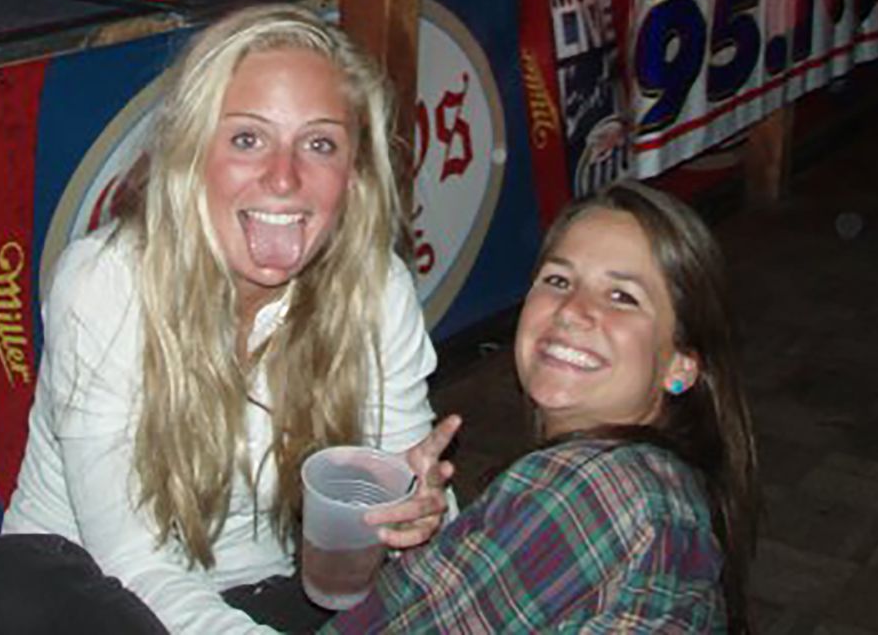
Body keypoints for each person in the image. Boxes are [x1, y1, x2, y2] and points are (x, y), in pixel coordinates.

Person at [0, 4, 457, 635]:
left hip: (267, 592)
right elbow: (132, 559)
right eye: (247, 138)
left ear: (352, 175)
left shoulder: (375, 288)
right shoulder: (108, 282)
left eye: (319, 144)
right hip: (97, 594)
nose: (284, 176)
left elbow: (399, 480)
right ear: (190, 154)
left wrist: (417, 514)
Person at [320, 180, 760, 632]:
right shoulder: (665, 483)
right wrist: (426, 540)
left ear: (681, 366)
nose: (571, 310)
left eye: (622, 296)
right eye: (558, 280)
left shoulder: (598, 490)